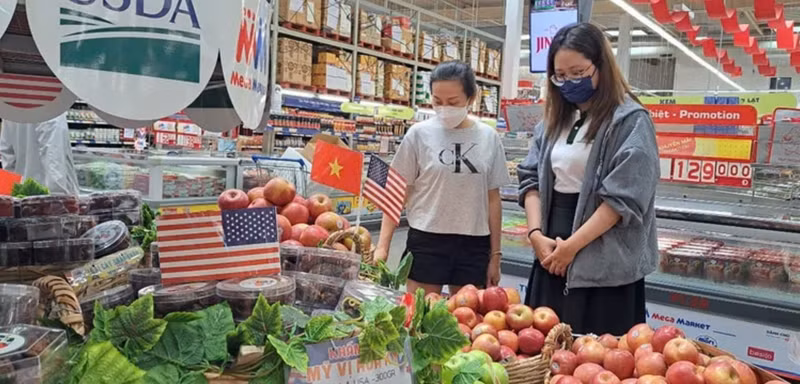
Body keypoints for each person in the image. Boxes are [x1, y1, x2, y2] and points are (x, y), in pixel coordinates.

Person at [517, 23, 659, 336]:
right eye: (560, 75)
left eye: (578, 72)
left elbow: (623, 198)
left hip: (603, 253)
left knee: (599, 355)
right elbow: (530, 179)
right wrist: (536, 234)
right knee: (545, 347)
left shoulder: (630, 121)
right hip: (551, 245)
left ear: (601, 66)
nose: (569, 82)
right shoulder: (555, 120)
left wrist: (573, 247)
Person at [374, 61, 511, 295]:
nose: (444, 108)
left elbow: (492, 199)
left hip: (474, 243)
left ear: (471, 98)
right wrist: (382, 246)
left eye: (453, 102)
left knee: (465, 325)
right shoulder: (418, 134)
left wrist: (495, 255)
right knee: (420, 319)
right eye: (437, 101)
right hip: (427, 239)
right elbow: (398, 192)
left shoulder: (488, 138)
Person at [0, 113, 80, 195]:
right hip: (46, 196)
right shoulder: (52, 106)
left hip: (22, 193)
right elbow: (54, 156)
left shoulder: (10, 110)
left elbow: (7, 156)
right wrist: (58, 200)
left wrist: (12, 194)